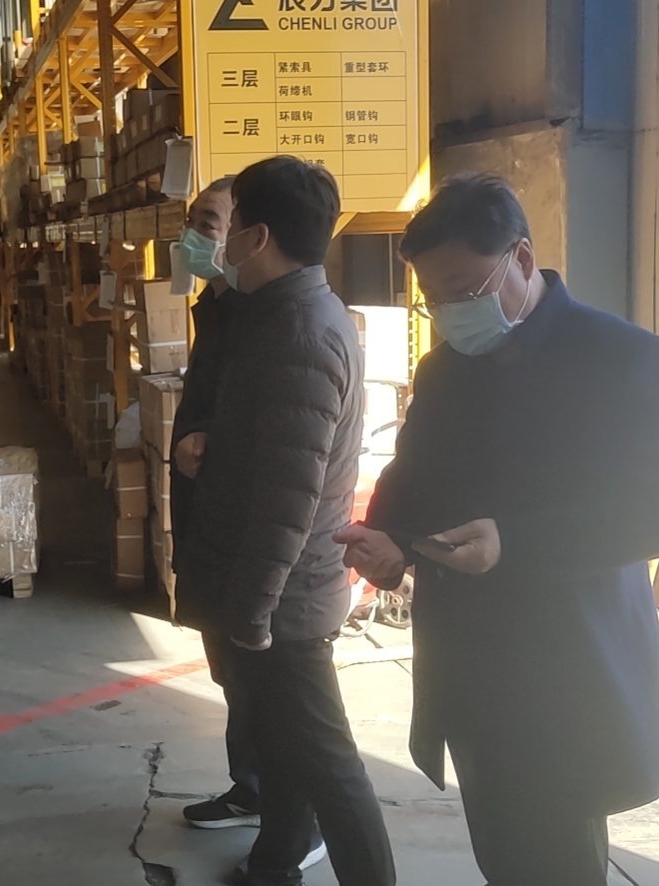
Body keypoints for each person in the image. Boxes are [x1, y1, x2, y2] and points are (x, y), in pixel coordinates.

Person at [334, 174, 659, 883]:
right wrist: (389, 542)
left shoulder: (625, 359)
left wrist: (515, 542)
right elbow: (414, 479)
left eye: (463, 289)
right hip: (468, 670)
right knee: (502, 854)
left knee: (558, 859)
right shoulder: (444, 370)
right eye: (433, 296)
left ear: (522, 259)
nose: (449, 311)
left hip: (565, 671)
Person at [171, 156, 395, 886]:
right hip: (268, 588)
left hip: (283, 599)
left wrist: (253, 614)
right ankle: (275, 862)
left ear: (258, 235)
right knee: (284, 746)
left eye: (230, 222)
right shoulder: (274, 315)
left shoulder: (300, 333)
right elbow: (275, 450)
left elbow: (287, 500)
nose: (221, 238)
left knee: (329, 766)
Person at [167, 175, 274, 833]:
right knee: (231, 670)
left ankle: (289, 810)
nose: (193, 234)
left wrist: (211, 442)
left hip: (243, 525)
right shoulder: (218, 304)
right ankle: (252, 787)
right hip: (207, 510)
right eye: (193, 220)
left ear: (248, 234)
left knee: (262, 676)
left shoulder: (268, 316)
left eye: (208, 221)